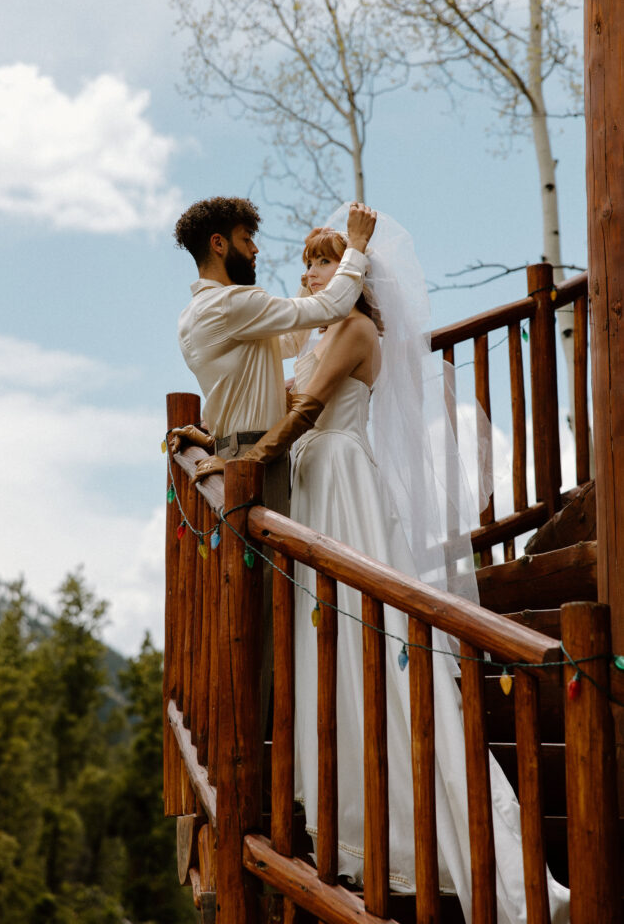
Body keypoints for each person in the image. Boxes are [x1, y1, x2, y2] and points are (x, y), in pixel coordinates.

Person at [199, 205, 570, 924]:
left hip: (338, 476)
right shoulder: (317, 332)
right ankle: (353, 818)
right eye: (306, 261)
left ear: (355, 273)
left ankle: (457, 847)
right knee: (325, 635)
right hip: (312, 483)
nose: (307, 273)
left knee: (368, 634)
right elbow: (271, 396)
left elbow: (305, 410)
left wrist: (252, 459)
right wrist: (218, 438)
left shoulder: (355, 329)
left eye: (322, 261)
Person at [173, 195, 376, 729]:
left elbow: (290, 337)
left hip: (243, 452)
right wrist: (352, 251)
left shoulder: (206, 312)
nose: (256, 248)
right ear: (218, 244)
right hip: (254, 462)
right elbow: (319, 314)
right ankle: (256, 735)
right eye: (246, 238)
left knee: (263, 603)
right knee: (263, 608)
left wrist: (323, 289)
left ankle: (262, 732)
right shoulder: (229, 304)